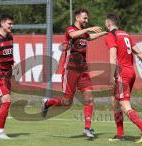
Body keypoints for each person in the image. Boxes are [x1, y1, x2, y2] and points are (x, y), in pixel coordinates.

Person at [41, 8, 107, 138]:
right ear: (77, 18)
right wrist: (88, 29)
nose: (86, 20)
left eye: (87, 18)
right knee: (66, 101)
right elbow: (72, 35)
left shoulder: (83, 33)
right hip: (70, 69)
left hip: (83, 70)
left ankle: (87, 128)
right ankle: (47, 103)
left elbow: (90, 37)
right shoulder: (70, 29)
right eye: (85, 18)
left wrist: (104, 33)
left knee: (89, 98)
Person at [104, 13, 142, 143]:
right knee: (115, 103)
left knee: (124, 104)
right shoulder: (125, 34)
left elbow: (112, 55)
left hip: (122, 74)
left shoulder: (111, 35)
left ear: (108, 23)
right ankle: (120, 134)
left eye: (105, 23)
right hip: (131, 72)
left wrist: (111, 74)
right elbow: (138, 52)